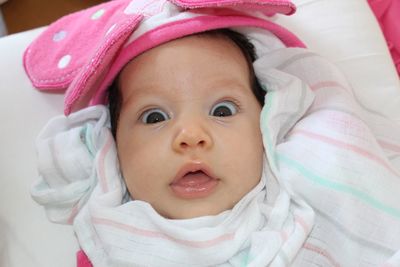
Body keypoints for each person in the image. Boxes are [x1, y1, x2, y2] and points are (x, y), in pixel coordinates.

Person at [26, 0, 400, 266]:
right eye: (154, 117)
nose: (191, 135)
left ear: (269, 125)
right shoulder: (115, 241)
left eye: (222, 110)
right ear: (112, 147)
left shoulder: (307, 222)